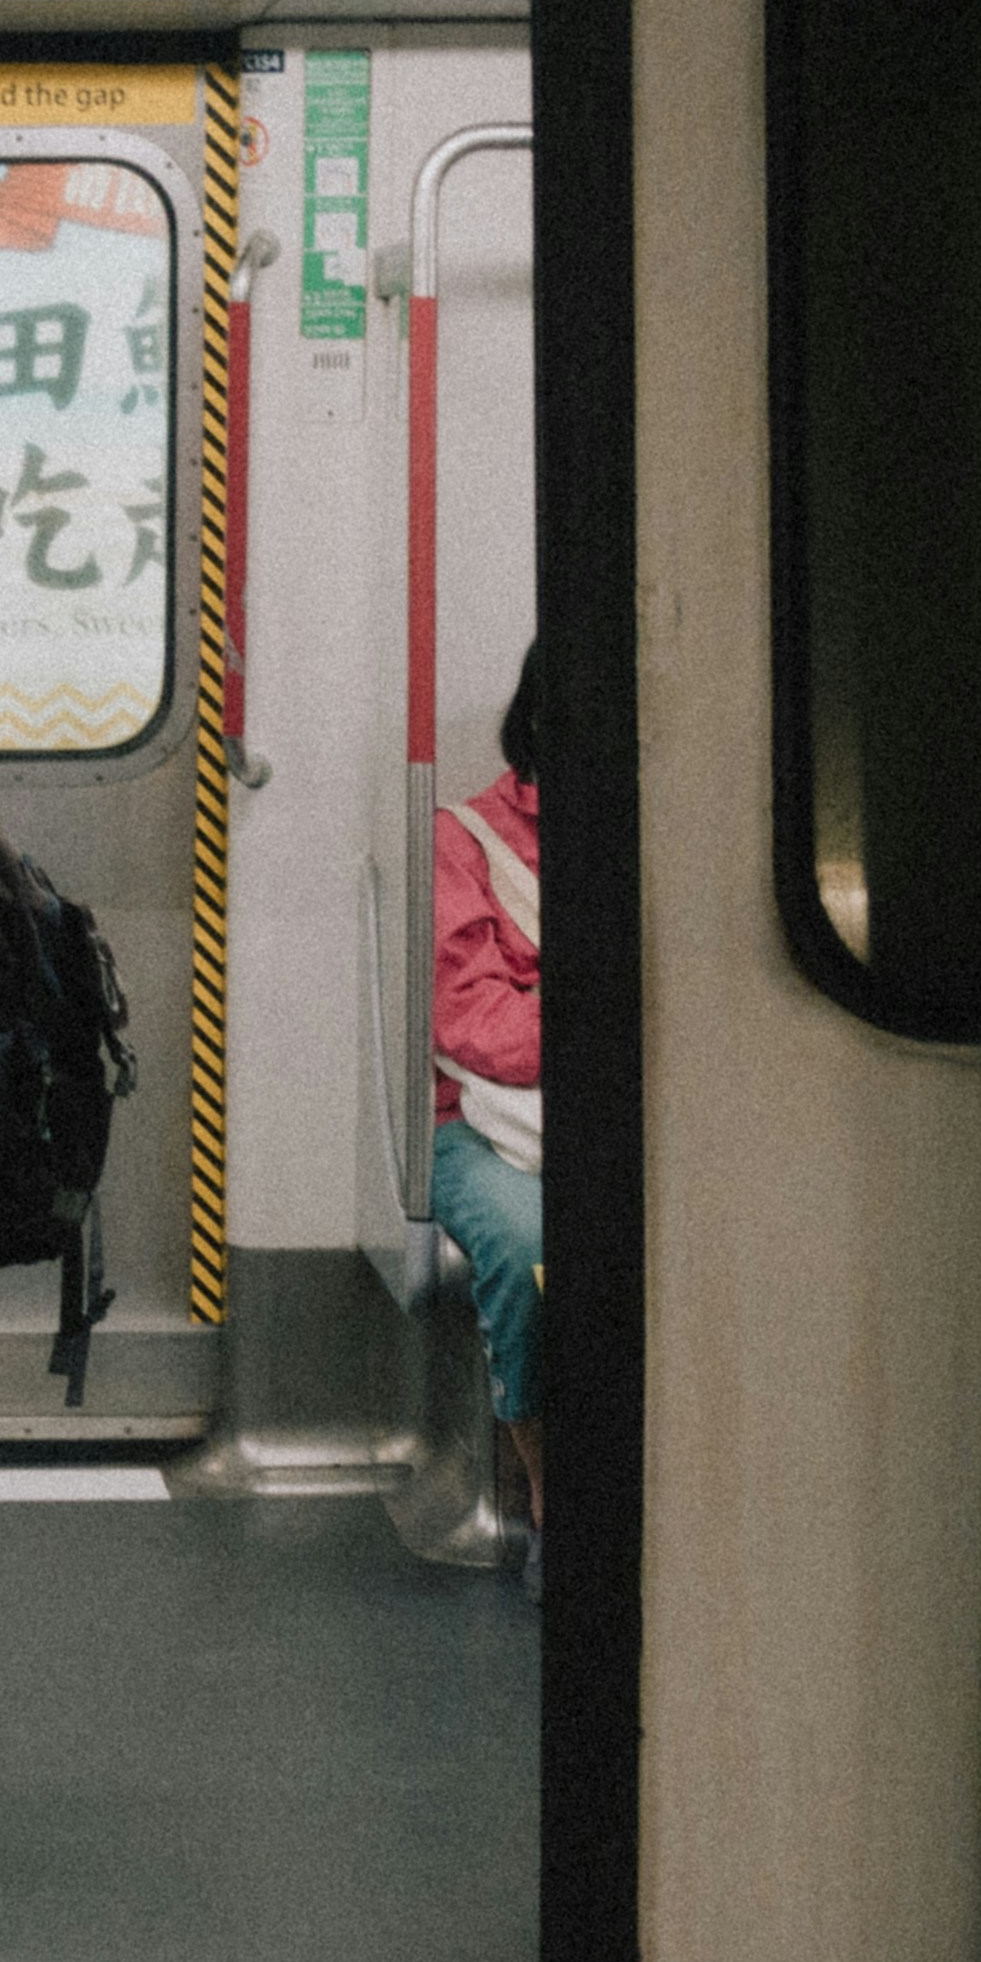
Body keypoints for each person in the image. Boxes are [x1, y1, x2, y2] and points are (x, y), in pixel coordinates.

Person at [429, 639, 545, 1554]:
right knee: (528, 1242)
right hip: (478, 1121)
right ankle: (547, 1488)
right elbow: (478, 1027)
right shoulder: (463, 840)